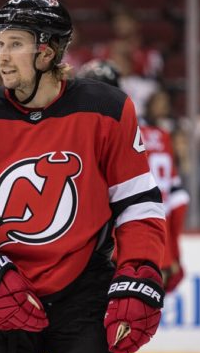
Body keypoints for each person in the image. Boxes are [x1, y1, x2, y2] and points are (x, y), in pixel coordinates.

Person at [0, 0, 166, 353]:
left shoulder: (105, 110)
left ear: (48, 51)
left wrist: (139, 269)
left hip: (84, 293)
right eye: (0, 44)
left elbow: (137, 203)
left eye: (16, 44)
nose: (2, 57)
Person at [77, 59, 189, 293]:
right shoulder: (160, 135)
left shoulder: (84, 138)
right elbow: (176, 201)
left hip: (102, 253)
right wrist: (171, 252)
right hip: (147, 247)